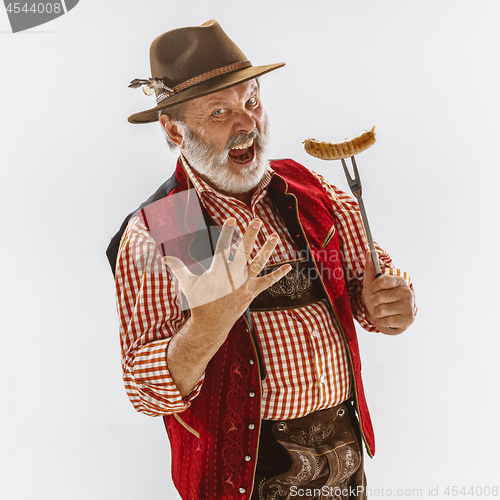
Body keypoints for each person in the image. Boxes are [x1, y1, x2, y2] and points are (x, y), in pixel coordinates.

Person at [106, 19, 416, 500]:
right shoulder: (173, 224)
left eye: (252, 102)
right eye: (219, 112)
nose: (247, 122)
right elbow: (144, 391)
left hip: (344, 463)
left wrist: (390, 299)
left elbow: (368, 272)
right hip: (243, 477)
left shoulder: (309, 188)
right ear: (173, 128)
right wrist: (208, 322)